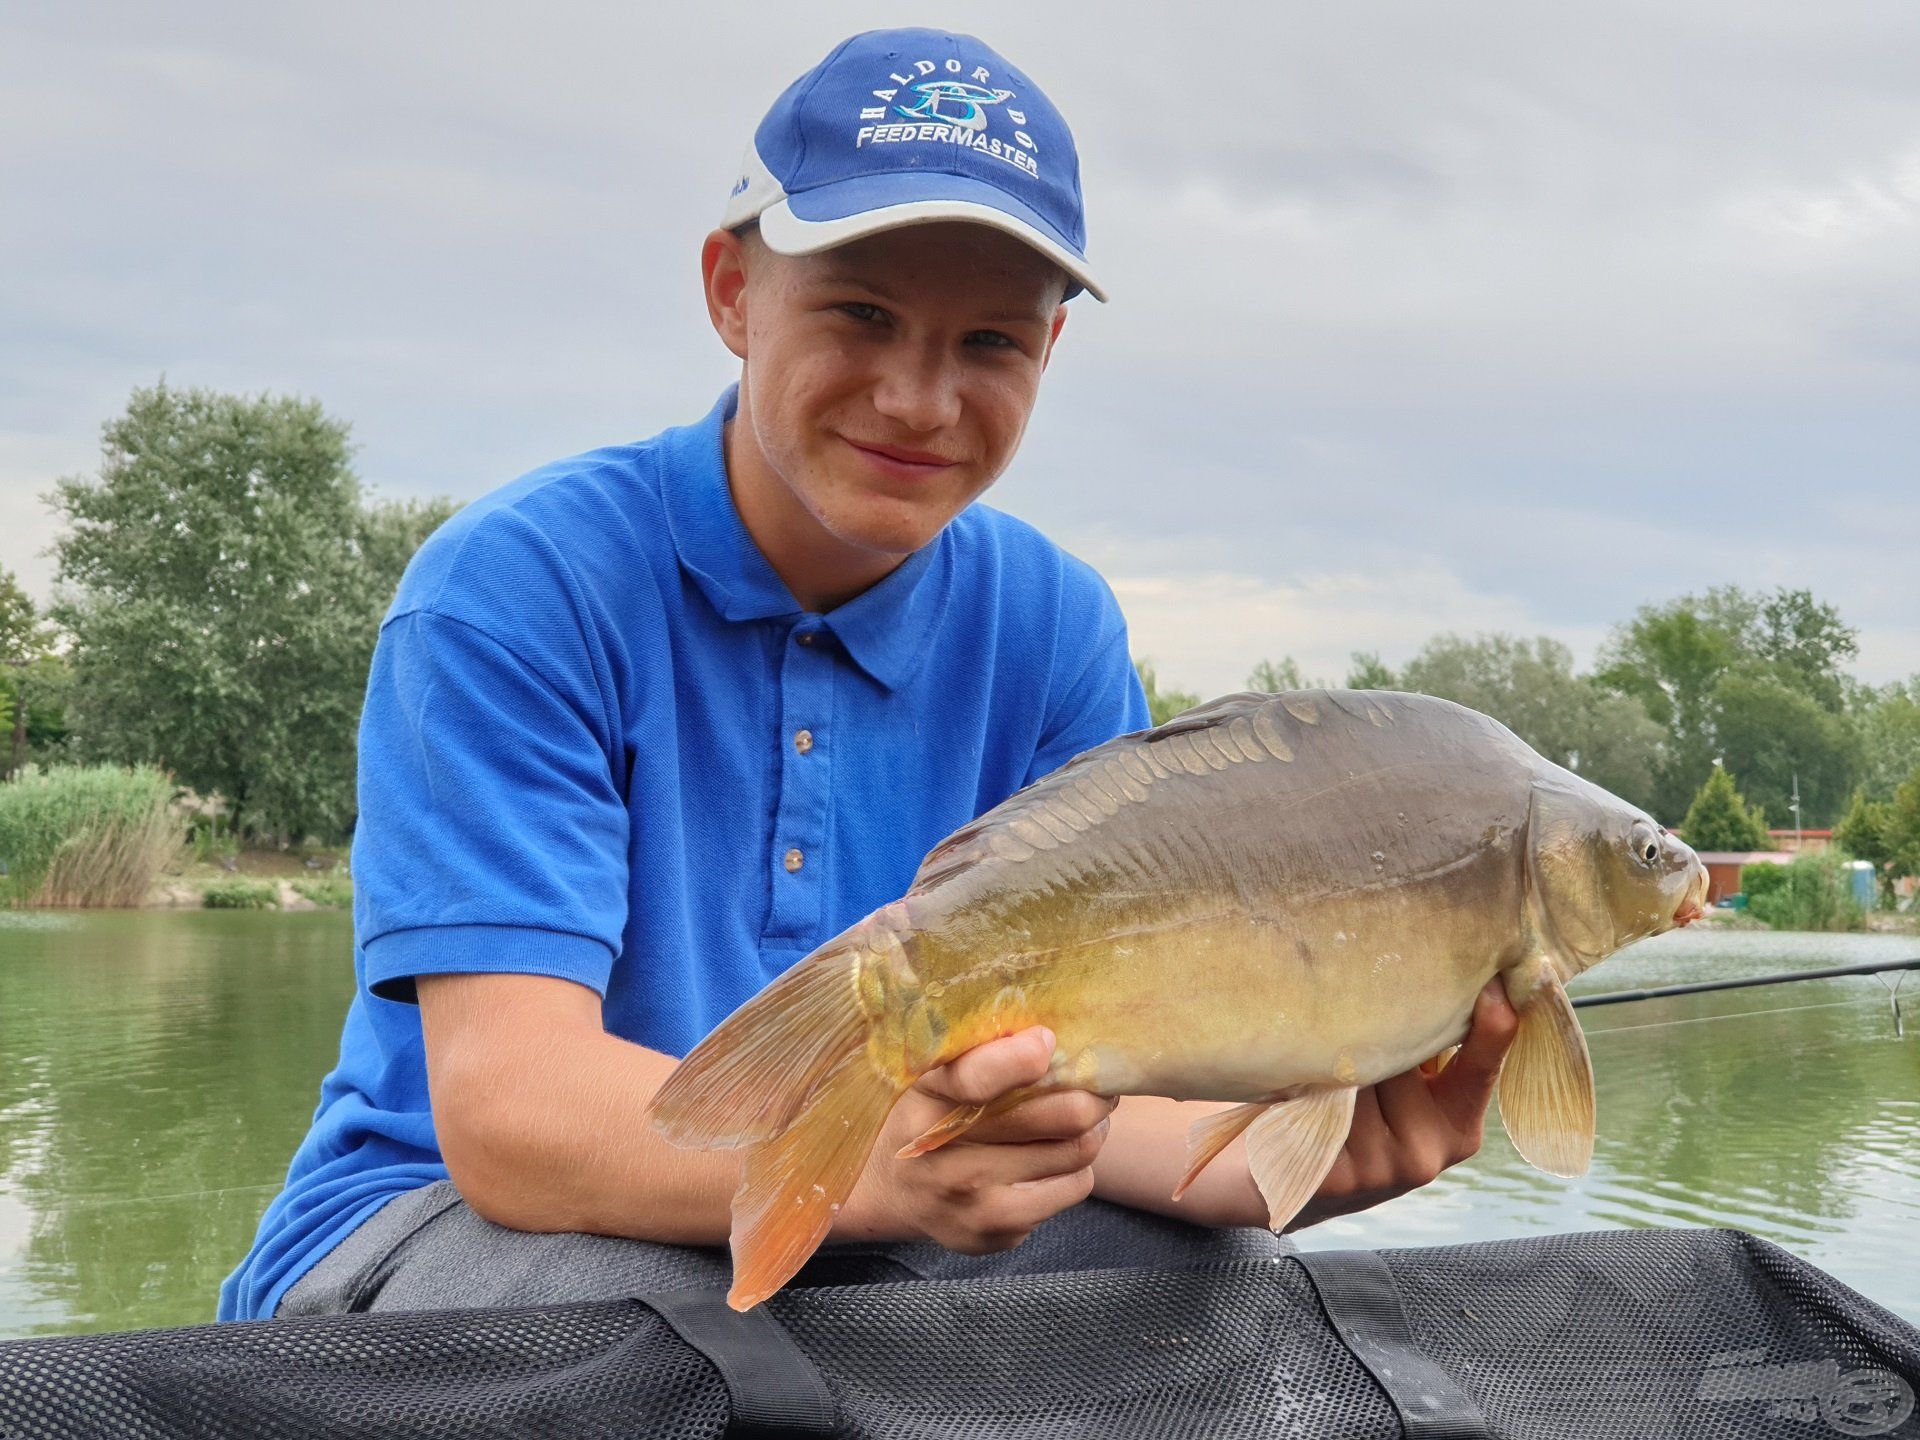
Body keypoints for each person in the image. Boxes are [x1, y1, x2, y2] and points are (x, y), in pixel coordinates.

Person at [218, 26, 1517, 1324]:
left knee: (1228, 1294)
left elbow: (1066, 1108)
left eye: (991, 344)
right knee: (634, 1335)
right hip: (447, 1222)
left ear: (1050, 355)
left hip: (870, 1217)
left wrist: (1275, 1155)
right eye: (862, 314)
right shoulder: (514, 588)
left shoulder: (1055, 628)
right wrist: (884, 1170)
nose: (918, 397)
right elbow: (513, 1118)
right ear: (731, 292)